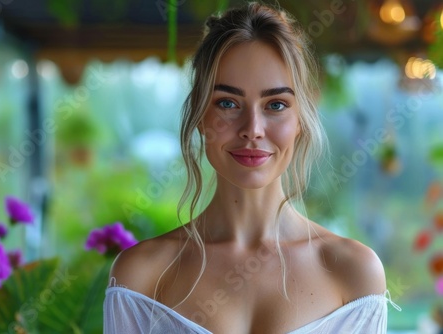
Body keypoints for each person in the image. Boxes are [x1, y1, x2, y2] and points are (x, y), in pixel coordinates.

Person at [104, 2, 397, 333]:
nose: (253, 128)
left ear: (301, 118)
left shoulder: (354, 273)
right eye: (228, 103)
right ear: (201, 114)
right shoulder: (142, 276)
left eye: (276, 105)